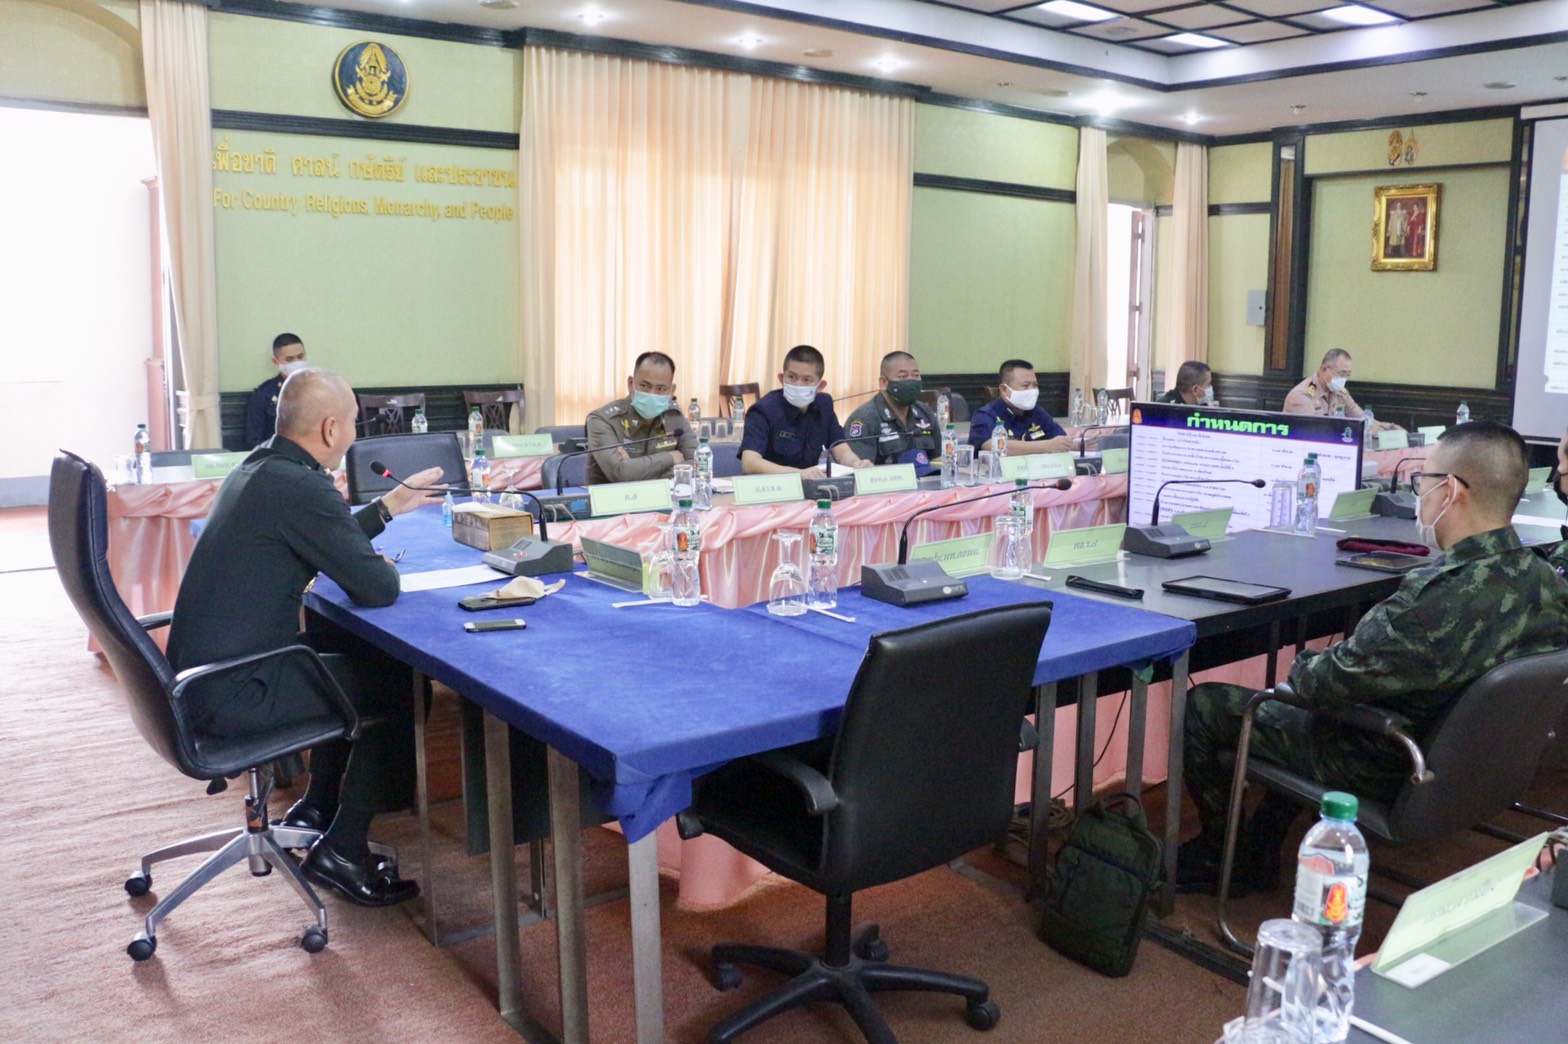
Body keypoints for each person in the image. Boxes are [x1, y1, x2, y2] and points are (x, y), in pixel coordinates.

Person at [1178, 421, 1568, 894]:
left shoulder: (1433, 601)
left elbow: (1319, 686)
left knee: (1208, 705)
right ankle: (1262, 841)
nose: (1419, 495)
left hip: (1388, 762)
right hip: (1475, 765)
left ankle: (1223, 856)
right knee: (1306, 716)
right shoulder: (1546, 580)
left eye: (1423, 481)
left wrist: (1308, 660)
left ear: (1449, 490)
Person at [168, 368, 444, 907]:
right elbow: (378, 589)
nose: (355, 436)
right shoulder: (301, 486)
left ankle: (317, 809)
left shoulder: (263, 467)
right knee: (398, 689)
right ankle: (342, 851)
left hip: (203, 676)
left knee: (350, 663)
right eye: (354, 424)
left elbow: (318, 535)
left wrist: (386, 507)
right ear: (330, 428)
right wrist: (376, 566)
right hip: (235, 690)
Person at [740, 344, 872, 478]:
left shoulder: (824, 405)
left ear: (820, 386)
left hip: (811, 484)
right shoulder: (763, 410)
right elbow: (750, 463)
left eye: (807, 380)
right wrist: (799, 474)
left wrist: (856, 463)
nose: (798, 385)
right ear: (782, 379)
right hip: (772, 485)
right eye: (792, 377)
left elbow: (841, 451)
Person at [583, 352, 697, 485]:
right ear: (631, 384)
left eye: (661, 388)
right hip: (615, 497)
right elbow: (620, 473)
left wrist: (635, 470)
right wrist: (670, 458)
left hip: (665, 496)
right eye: (645, 386)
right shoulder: (602, 420)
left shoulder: (674, 416)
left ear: (671, 391)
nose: (652, 393)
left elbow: (697, 464)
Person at [843, 350, 941, 466]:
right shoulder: (864, 419)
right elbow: (861, 469)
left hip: (925, 475)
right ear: (883, 382)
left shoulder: (925, 413)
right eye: (903, 376)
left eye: (916, 375)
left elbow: (937, 459)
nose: (911, 381)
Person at [967, 359, 1074, 455]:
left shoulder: (1037, 413)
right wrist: (1046, 446)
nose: (1032, 390)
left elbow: (1061, 441)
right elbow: (993, 445)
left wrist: (1080, 445)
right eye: (1025, 386)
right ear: (1004, 390)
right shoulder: (985, 415)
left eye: (1035, 385)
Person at [1283, 349, 1402, 433]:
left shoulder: (1340, 393)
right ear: (1324, 369)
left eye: (1347, 375)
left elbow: (1362, 419)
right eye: (1341, 374)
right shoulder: (1302, 395)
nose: (1343, 379)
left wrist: (1388, 428)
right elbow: (1315, 432)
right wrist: (1358, 430)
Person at [244, 333, 309, 448]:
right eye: (289, 359)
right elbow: (254, 440)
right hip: (279, 454)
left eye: (300, 357)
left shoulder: (318, 389)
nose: (296, 363)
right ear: (276, 362)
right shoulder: (263, 395)